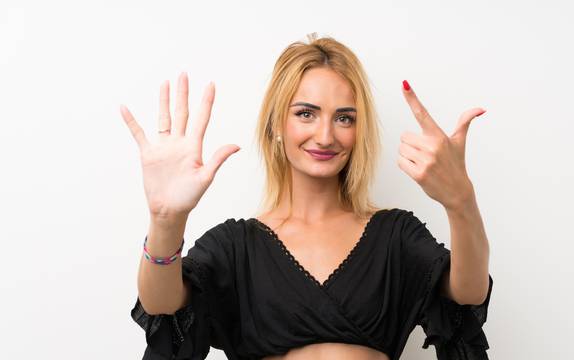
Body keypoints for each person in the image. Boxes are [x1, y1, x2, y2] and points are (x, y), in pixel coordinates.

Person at [120, 33, 494, 360]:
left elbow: (467, 294)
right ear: (276, 124)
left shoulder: (394, 236)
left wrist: (461, 202)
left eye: (344, 118)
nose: (326, 135)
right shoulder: (237, 246)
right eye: (306, 113)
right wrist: (165, 221)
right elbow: (162, 306)